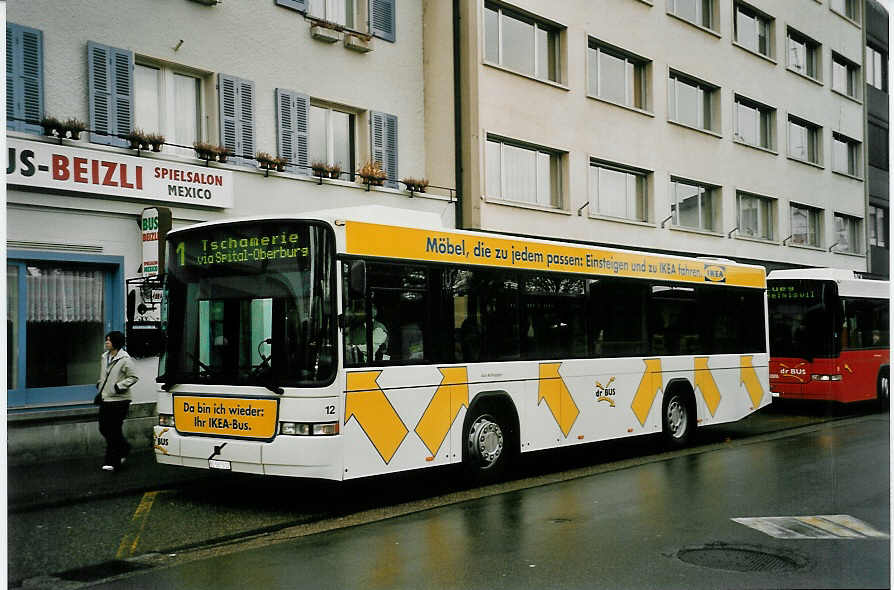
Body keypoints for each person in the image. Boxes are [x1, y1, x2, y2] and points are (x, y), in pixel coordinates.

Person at [96, 330, 139, 472]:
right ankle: (124, 448)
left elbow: (133, 377)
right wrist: (100, 384)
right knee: (103, 428)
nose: (106, 342)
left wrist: (118, 386)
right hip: (105, 398)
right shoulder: (104, 357)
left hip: (120, 400)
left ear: (116, 343)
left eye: (109, 340)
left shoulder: (125, 359)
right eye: (106, 340)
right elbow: (106, 375)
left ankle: (112, 461)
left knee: (113, 430)